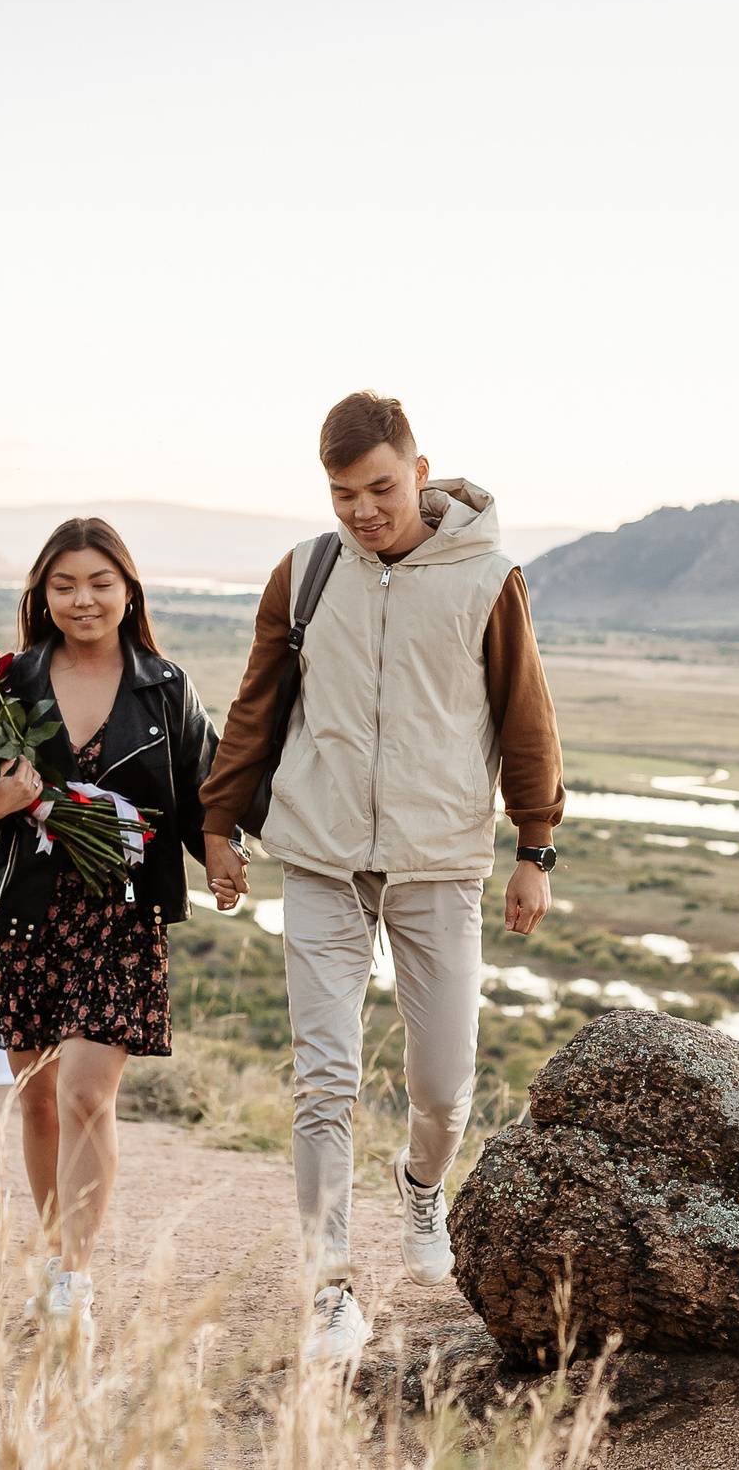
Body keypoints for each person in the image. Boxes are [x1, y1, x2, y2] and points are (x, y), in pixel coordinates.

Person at [199, 391, 564, 1364]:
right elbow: (257, 707)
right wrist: (219, 820)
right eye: (341, 492)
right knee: (323, 1082)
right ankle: (330, 1288)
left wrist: (534, 845)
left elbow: (524, 715)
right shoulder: (308, 572)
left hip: (438, 863)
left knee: (442, 1083)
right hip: (317, 857)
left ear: (419, 469)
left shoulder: (486, 577)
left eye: (380, 487)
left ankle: (419, 1188)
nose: (362, 509)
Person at [0, 517, 235, 1331]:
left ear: (129, 589)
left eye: (100, 582)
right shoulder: (8, 682)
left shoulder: (164, 686)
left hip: (119, 917)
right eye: (66, 583)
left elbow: (204, 786)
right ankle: (51, 1256)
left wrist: (219, 853)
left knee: (85, 1093)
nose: (84, 598)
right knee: (38, 1096)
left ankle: (76, 1277)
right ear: (42, 594)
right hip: (28, 917)